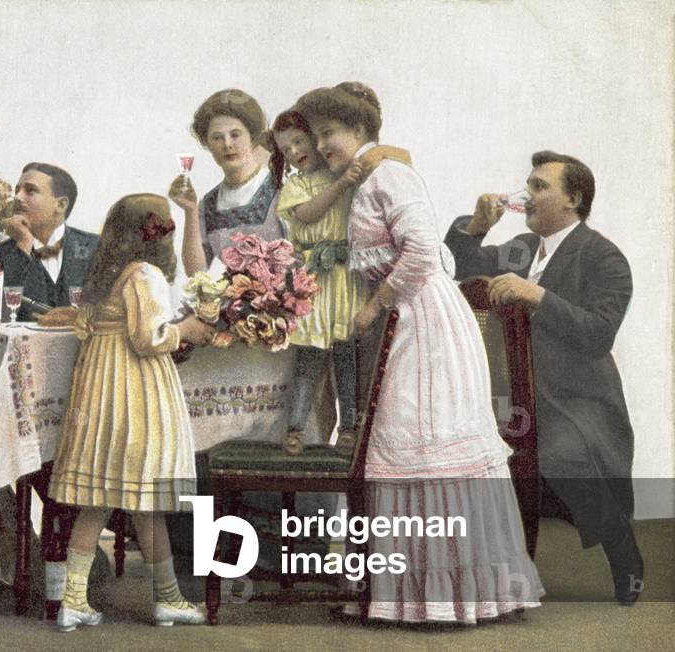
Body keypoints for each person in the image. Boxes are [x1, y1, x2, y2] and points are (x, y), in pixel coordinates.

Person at [296, 83, 543, 623]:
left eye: (330, 133)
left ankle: (446, 597)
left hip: (422, 323)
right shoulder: (368, 177)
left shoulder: (389, 173)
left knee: (417, 439)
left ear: (360, 131)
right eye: (317, 136)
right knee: (397, 444)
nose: (323, 145)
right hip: (402, 321)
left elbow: (425, 251)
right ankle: (403, 594)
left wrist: (375, 305)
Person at [444, 151, 643, 606]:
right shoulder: (518, 248)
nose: (526, 195)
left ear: (573, 198)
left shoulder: (604, 257)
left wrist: (536, 294)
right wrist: (475, 227)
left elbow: (598, 334)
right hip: (513, 397)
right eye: (527, 184)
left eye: (539, 187)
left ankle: (623, 550)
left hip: (578, 401)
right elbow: (463, 267)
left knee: (561, 455)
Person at [46, 194, 215, 631]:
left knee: (99, 502)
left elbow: (96, 324)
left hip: (101, 394)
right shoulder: (146, 274)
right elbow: (148, 338)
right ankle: (167, 599)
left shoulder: (110, 275)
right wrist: (188, 330)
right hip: (135, 395)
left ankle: (75, 601)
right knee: (147, 499)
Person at [269, 108, 410, 453]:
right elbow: (307, 214)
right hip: (315, 282)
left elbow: (401, 158)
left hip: (348, 278)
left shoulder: (347, 172)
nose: (294, 152)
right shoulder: (298, 185)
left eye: (299, 142)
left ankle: (348, 427)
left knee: (347, 360)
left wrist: (364, 165)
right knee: (309, 359)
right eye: (285, 150)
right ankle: (295, 428)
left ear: (317, 140)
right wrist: (342, 184)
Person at [169, 88, 285, 276]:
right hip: (235, 302)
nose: (227, 144)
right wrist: (190, 211)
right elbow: (196, 273)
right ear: (207, 143)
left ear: (252, 137)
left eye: (235, 134)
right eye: (217, 137)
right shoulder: (209, 203)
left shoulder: (279, 187)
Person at [0, 162, 100, 321]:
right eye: (17, 191)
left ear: (60, 204)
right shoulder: (2, 253)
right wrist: (24, 245)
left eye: (30, 191)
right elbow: (0, 318)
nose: (17, 197)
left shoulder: (95, 247)